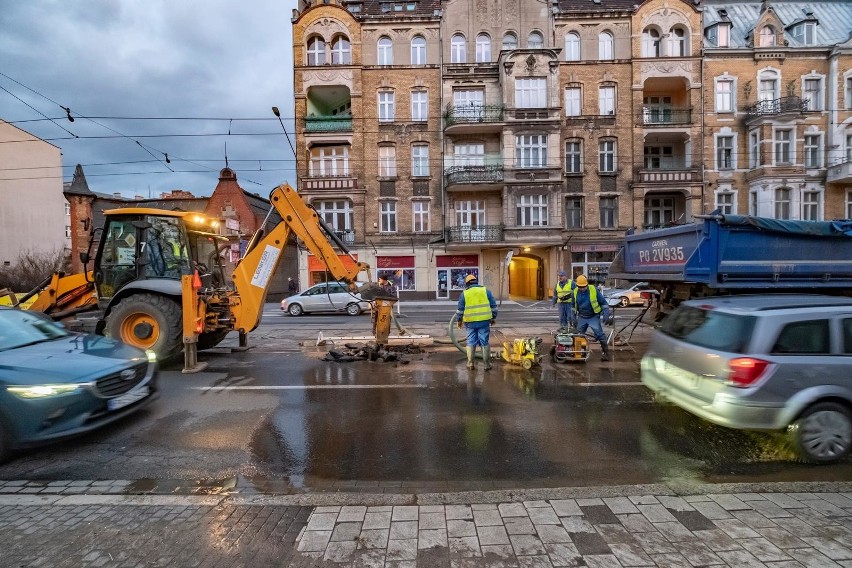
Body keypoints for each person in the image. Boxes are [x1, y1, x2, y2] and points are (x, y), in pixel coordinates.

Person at [456, 273, 497, 370]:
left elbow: (460, 310)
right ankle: (487, 365)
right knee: (484, 342)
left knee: (470, 341)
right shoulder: (486, 291)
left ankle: (470, 364)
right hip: (484, 322)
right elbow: (494, 307)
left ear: (467, 284)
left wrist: (459, 320)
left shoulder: (464, 293)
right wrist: (493, 318)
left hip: (470, 323)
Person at [572, 274, 612, 361]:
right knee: (579, 336)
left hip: (593, 316)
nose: (582, 289)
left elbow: (604, 303)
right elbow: (573, 306)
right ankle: (579, 354)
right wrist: (573, 317)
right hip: (582, 316)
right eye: (580, 287)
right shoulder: (575, 292)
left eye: (584, 287)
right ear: (577, 286)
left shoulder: (593, 290)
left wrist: (606, 314)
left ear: (587, 284)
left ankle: (606, 353)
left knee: (599, 334)